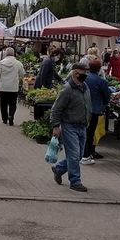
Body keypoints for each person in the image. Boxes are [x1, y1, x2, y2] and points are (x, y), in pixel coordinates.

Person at [49, 59, 91, 193]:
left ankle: (59, 169)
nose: (85, 75)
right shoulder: (67, 89)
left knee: (78, 155)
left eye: (86, 72)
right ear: (75, 73)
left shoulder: (85, 87)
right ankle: (75, 181)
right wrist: (56, 126)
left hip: (82, 125)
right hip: (69, 125)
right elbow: (56, 109)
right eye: (83, 72)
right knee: (73, 155)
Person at [81, 58, 114, 164]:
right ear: (99, 69)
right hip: (95, 110)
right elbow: (107, 96)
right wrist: (103, 104)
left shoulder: (84, 78)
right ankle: (86, 155)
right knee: (90, 133)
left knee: (83, 132)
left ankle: (82, 153)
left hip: (82, 108)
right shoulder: (101, 81)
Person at [0, 47, 26, 126]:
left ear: (6, 54)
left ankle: (4, 119)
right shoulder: (18, 63)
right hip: (13, 87)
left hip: (3, 86)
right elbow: (22, 74)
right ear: (14, 53)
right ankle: (11, 116)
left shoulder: (1, 63)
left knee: (3, 103)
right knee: (13, 103)